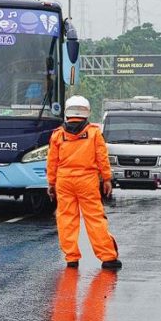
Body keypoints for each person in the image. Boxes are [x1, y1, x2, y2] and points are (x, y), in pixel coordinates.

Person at [46, 95, 122, 270]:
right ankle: (108, 258)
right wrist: (107, 179)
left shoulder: (58, 135)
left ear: (67, 111)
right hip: (87, 181)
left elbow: (52, 162)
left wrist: (51, 183)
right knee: (95, 218)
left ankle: (71, 258)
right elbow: (102, 157)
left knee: (66, 219)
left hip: (64, 181)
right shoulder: (94, 133)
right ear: (86, 112)